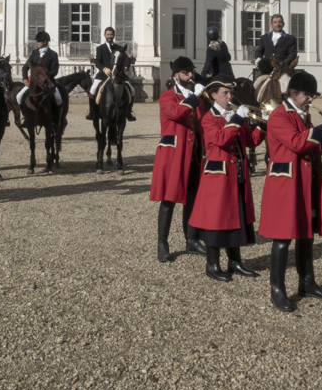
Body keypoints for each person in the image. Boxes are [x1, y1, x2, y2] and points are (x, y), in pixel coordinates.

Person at [258, 71, 322, 312]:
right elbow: (298, 143)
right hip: (286, 182)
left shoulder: (302, 115)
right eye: (308, 95)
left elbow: (312, 147)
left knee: (306, 234)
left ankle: (306, 283)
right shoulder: (279, 115)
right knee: (282, 237)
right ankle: (277, 289)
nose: (311, 100)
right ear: (293, 93)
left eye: (313, 95)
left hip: (304, 180)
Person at [189, 74, 265, 282]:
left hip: (238, 174)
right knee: (215, 221)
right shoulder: (208, 118)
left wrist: (263, 126)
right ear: (213, 95)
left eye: (231, 92)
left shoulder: (232, 114)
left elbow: (250, 142)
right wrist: (238, 119)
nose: (230, 96)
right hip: (219, 175)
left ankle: (235, 261)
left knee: (237, 218)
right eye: (225, 93)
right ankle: (212, 264)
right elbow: (222, 140)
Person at [149, 57, 207, 262]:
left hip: (193, 152)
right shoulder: (167, 96)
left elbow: (201, 124)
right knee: (169, 200)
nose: (190, 75)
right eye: (186, 72)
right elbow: (175, 113)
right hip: (173, 154)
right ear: (176, 75)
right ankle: (162, 243)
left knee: (192, 197)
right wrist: (193, 98)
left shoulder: (197, 98)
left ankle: (191, 240)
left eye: (191, 71)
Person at [88, 27, 136, 121]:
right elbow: (98, 62)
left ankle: (129, 112)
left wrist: (125, 68)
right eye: (108, 34)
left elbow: (127, 60)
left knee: (132, 90)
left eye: (111, 34)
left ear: (113, 35)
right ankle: (92, 111)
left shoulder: (119, 48)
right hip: (103, 75)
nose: (109, 36)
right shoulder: (100, 48)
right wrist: (104, 69)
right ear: (104, 35)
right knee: (93, 90)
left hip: (118, 75)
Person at [19, 31, 63, 111]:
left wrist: (44, 77)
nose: (37, 43)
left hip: (48, 82)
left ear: (45, 42)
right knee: (18, 96)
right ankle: (24, 116)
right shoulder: (35, 53)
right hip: (33, 83)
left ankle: (57, 120)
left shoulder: (53, 54)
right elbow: (25, 67)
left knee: (58, 98)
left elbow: (55, 70)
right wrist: (25, 79)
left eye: (38, 41)